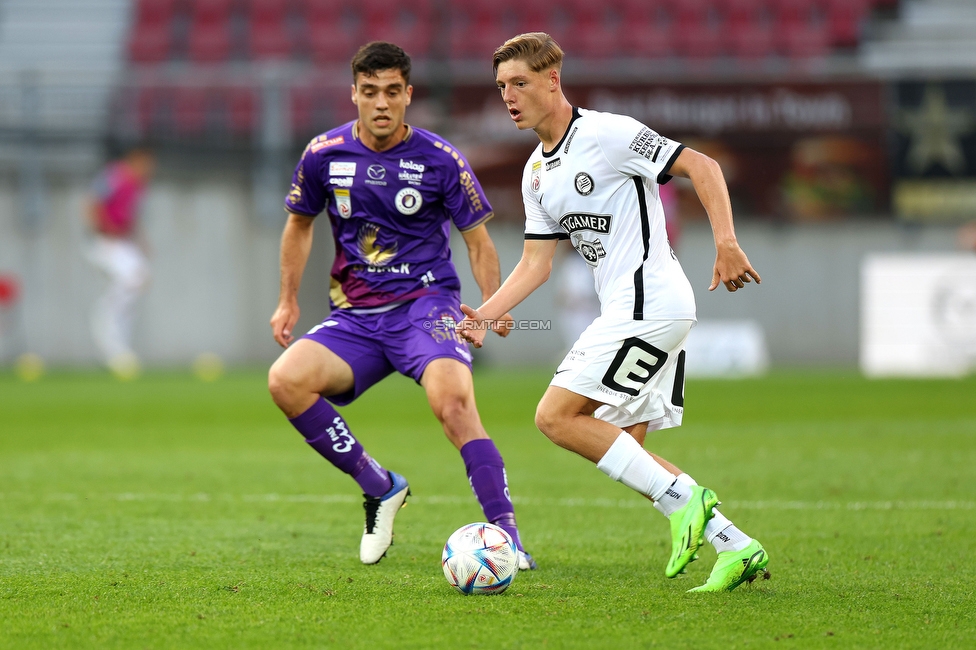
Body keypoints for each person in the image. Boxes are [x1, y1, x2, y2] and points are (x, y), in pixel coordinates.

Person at [458, 33, 768, 592]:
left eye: (521, 83)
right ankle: (736, 546)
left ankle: (688, 502)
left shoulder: (606, 133)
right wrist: (485, 313)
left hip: (649, 301)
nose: (510, 96)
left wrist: (725, 240)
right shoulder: (536, 173)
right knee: (625, 445)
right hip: (638, 309)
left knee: (555, 417)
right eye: (502, 86)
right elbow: (535, 264)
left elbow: (702, 165)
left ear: (552, 80)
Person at [267, 42, 536, 569]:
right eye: (370, 93)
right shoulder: (323, 154)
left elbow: (479, 243)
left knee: (455, 406)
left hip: (426, 308)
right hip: (356, 319)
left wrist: (489, 308)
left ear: (408, 95)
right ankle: (381, 486)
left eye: (392, 92)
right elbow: (298, 224)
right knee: (285, 381)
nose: (382, 103)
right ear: (354, 95)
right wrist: (287, 301)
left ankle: (508, 538)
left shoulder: (440, 159)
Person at [85, 146, 155, 379]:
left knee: (140, 279)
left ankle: (119, 348)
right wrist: (103, 228)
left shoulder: (139, 186)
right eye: (147, 163)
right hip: (105, 241)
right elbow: (92, 202)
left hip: (123, 242)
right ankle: (107, 317)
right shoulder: (115, 175)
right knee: (132, 280)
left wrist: (142, 241)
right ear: (136, 159)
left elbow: (132, 216)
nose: (150, 169)